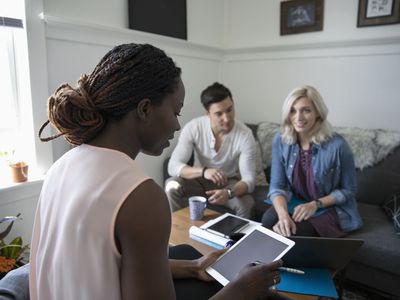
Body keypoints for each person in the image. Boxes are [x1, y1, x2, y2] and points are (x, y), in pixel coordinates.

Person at [29, 43, 282, 300]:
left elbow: (101, 265)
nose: (177, 125)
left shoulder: (59, 168)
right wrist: (240, 290)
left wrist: (194, 268)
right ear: (145, 109)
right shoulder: (141, 197)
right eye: (175, 112)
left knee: (186, 254)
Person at [261, 85, 363, 237]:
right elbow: (277, 185)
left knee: (294, 232)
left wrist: (315, 204)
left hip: (329, 206)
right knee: (269, 220)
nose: (298, 117)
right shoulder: (280, 140)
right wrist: (283, 216)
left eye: (306, 110)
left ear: (318, 113)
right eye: (293, 111)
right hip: (296, 201)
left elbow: (349, 190)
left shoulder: (338, 145)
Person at [165, 82, 256, 219]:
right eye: (219, 114)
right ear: (207, 113)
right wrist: (204, 171)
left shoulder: (245, 134)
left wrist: (229, 192)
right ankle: (177, 230)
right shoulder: (194, 127)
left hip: (226, 182)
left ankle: (237, 240)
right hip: (197, 180)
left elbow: (250, 180)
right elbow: (173, 166)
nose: (227, 118)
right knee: (171, 185)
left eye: (230, 109)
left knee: (247, 204)